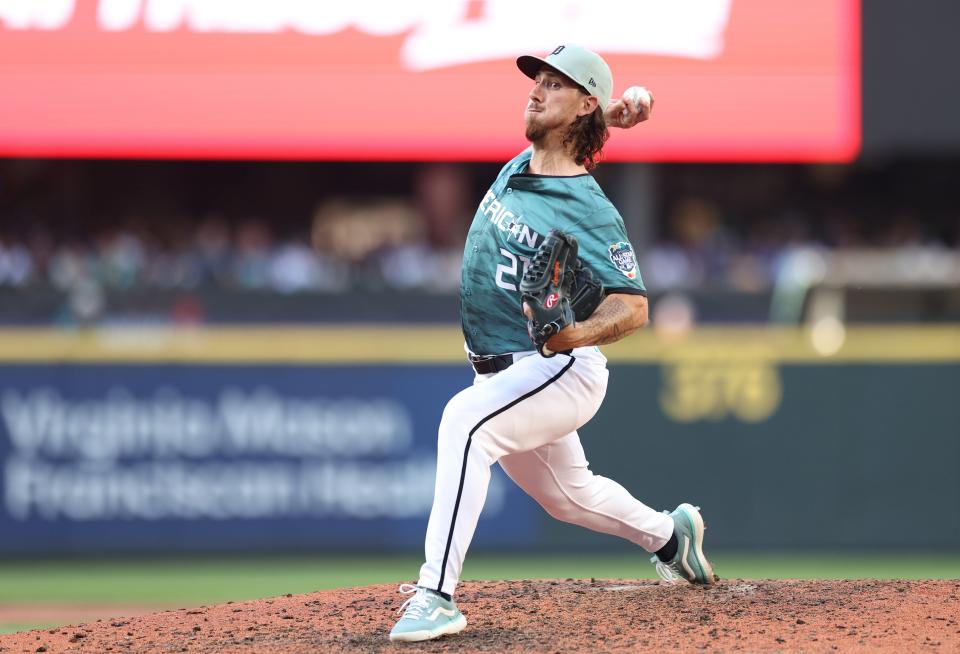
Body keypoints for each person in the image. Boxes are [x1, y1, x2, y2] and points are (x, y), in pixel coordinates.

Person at [389, 44, 715, 644]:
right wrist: (614, 110)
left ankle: (435, 595)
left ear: (581, 101)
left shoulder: (588, 207)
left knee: (464, 424)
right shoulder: (524, 164)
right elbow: (573, 129)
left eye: (555, 84)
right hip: (503, 370)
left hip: (558, 364)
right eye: (536, 81)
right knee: (569, 496)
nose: (536, 91)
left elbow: (633, 307)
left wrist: (572, 334)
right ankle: (672, 537)